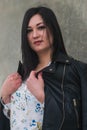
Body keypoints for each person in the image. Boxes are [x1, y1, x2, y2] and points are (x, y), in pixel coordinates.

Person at [0, 6, 87, 130]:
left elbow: (74, 120)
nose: (35, 35)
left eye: (41, 27)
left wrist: (43, 96)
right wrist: (4, 98)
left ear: (53, 29)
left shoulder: (73, 70)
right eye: (29, 30)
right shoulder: (23, 73)